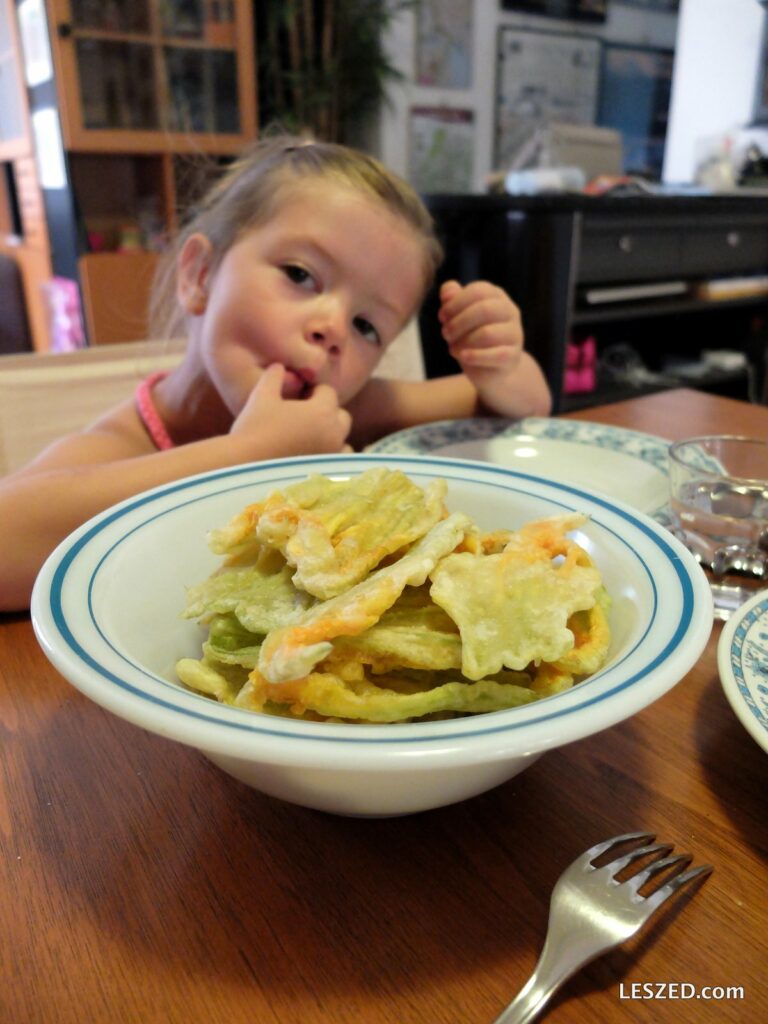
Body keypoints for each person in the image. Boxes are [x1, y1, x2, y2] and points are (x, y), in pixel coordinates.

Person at [0, 136, 551, 611]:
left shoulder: (339, 413)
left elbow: (515, 409)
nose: (332, 327)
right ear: (200, 274)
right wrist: (250, 454)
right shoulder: (127, 441)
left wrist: (500, 365)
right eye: (300, 274)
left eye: (366, 326)